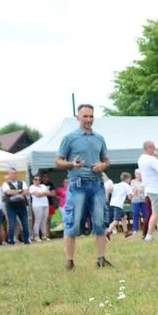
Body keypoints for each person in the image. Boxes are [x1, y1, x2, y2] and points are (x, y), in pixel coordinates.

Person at [55, 104, 112, 269]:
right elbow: (57, 161)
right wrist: (71, 163)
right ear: (78, 117)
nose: (88, 120)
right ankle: (69, 262)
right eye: (85, 116)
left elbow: (106, 160)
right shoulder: (69, 138)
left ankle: (101, 259)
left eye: (91, 116)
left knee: (100, 222)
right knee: (72, 223)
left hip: (96, 184)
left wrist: (102, 165)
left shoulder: (99, 138)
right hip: (77, 184)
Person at [136, 141, 158, 241]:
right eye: (153, 148)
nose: (154, 150)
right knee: (156, 212)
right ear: (149, 148)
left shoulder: (141, 159)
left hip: (149, 188)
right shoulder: (151, 159)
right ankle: (149, 235)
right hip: (155, 188)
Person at [1, 167, 31, 245]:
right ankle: (11, 241)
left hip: (22, 205)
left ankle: (26, 240)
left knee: (25, 223)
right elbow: (8, 192)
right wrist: (20, 191)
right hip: (11, 206)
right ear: (8, 174)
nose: (13, 175)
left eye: (14, 173)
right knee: (11, 224)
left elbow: (27, 192)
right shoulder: (5, 184)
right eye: (11, 173)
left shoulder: (22, 182)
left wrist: (15, 192)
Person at [107, 172, 133, 236]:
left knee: (124, 217)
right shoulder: (127, 186)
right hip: (118, 204)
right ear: (127, 179)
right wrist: (134, 193)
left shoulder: (116, 185)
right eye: (130, 179)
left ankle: (126, 232)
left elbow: (108, 188)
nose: (130, 181)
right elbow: (130, 197)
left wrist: (107, 196)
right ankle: (108, 232)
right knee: (116, 220)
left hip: (112, 203)